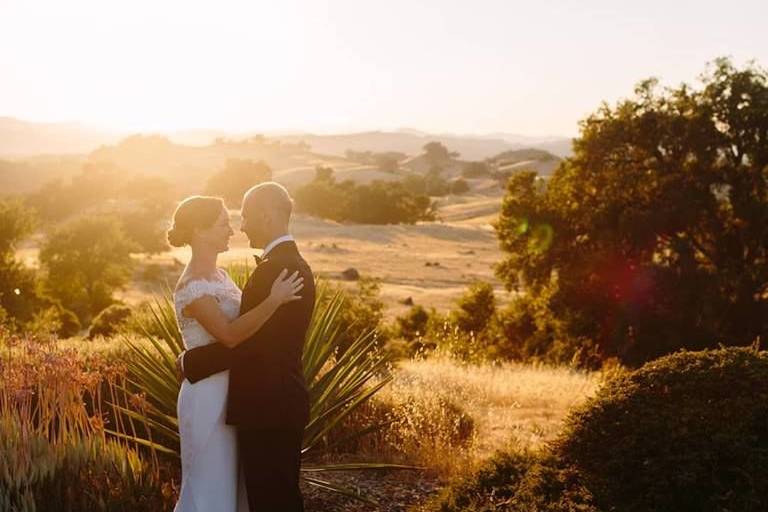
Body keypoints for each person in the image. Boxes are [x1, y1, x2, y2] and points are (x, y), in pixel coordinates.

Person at [179, 182, 316, 512]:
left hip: (268, 405)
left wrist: (192, 362)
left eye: (246, 217)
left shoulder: (278, 270)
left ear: (267, 217)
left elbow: (257, 344)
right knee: (247, 495)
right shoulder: (282, 266)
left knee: (272, 500)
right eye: (227, 222)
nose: (240, 227)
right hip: (255, 403)